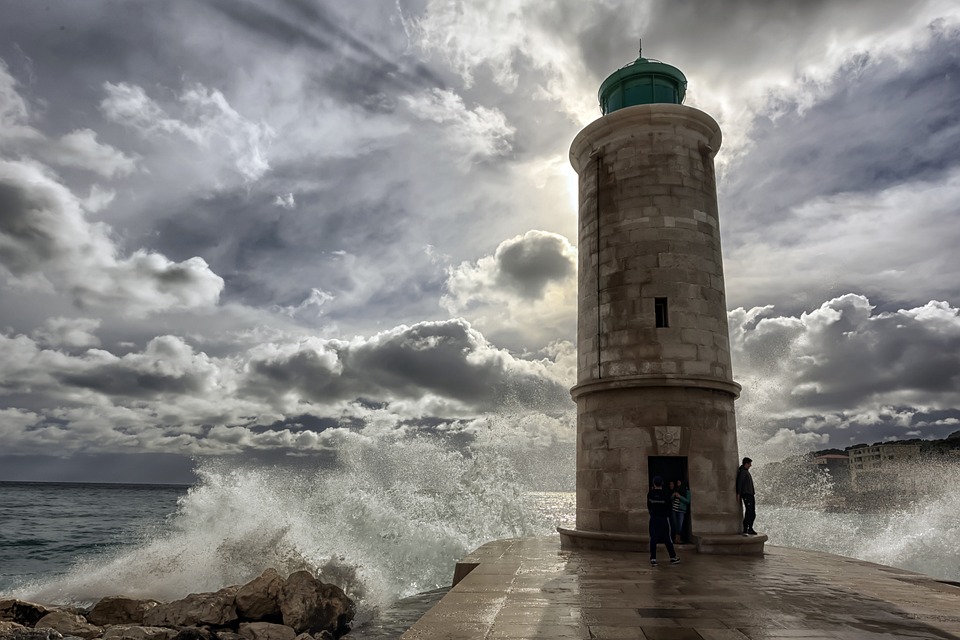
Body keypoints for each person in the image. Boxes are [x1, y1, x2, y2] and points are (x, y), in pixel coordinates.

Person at [647, 476, 680, 566]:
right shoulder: (665, 494)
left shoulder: (650, 494)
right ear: (662, 483)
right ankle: (673, 557)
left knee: (653, 538)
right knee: (667, 538)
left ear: (653, 484)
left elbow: (649, 506)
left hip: (653, 518)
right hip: (663, 518)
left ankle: (653, 558)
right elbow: (669, 507)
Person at [736, 457, 758, 535]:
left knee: (752, 512)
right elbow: (739, 483)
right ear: (746, 463)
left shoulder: (745, 471)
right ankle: (747, 528)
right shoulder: (742, 472)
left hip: (750, 494)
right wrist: (738, 494)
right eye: (750, 464)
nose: (750, 465)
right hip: (746, 494)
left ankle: (749, 528)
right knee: (750, 512)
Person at [671, 479, 691, 544]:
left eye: (679, 482)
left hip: (681, 510)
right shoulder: (676, 490)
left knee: (680, 525)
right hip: (674, 509)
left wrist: (680, 497)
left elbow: (688, 501)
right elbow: (671, 499)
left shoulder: (687, 491)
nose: (678, 484)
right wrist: (673, 495)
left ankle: (678, 539)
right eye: (677, 482)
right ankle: (675, 538)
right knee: (675, 524)